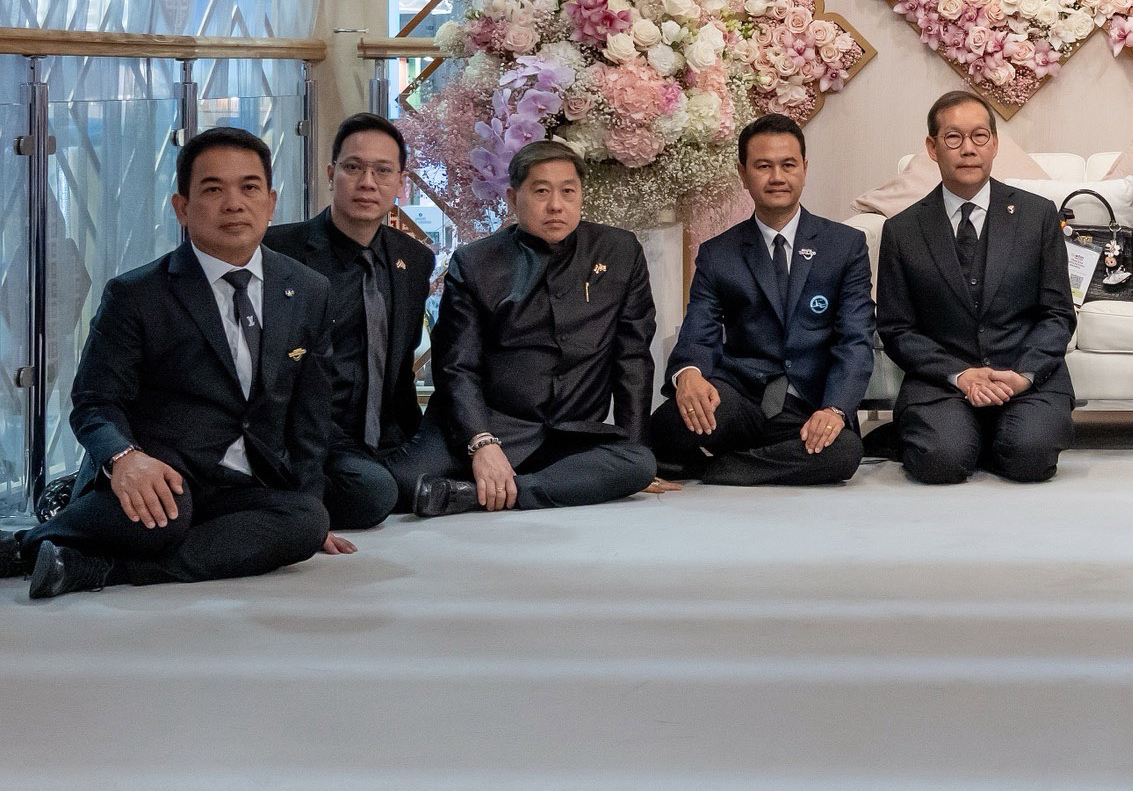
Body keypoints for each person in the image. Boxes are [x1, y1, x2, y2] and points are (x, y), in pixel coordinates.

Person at [1, 128, 335, 599]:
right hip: (159, 471)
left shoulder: (307, 289)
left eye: (249, 187)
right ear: (182, 207)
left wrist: (308, 503)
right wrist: (124, 458)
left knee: (307, 520)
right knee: (163, 517)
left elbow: (311, 415)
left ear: (272, 201)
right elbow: (95, 401)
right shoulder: (137, 294)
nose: (234, 204)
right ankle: (30, 544)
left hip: (245, 480)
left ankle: (99, 568)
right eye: (213, 189)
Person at [399, 140, 659, 516]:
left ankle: (478, 495)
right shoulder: (475, 263)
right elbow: (457, 366)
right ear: (511, 197)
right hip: (490, 422)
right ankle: (517, 482)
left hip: (568, 433)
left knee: (638, 463)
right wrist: (482, 443)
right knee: (406, 485)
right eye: (540, 191)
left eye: (568, 191)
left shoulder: (619, 251)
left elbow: (633, 357)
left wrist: (637, 446)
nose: (556, 205)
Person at [650, 114, 875, 486]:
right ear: (742, 172)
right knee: (671, 422)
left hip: (808, 404)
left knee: (844, 453)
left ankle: (720, 468)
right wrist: (687, 374)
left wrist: (835, 408)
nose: (777, 177)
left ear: (805, 167)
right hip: (741, 398)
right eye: (763, 166)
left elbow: (855, 338)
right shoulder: (717, 253)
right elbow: (698, 330)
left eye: (788, 165)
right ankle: (762, 459)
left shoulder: (844, 246)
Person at [877, 90, 1078, 485]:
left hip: (1023, 376)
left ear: (995, 144)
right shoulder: (902, 231)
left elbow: (1058, 315)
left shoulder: (1037, 215)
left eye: (979, 137)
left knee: (1030, 458)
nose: (968, 149)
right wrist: (960, 375)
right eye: (953, 138)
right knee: (941, 463)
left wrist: (1023, 374)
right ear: (933, 148)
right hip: (944, 382)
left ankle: (985, 432)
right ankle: (958, 433)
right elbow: (897, 329)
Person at [265, 113, 438, 531]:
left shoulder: (414, 259)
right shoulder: (279, 253)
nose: (367, 182)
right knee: (375, 493)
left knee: (449, 468)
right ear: (331, 173)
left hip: (390, 436)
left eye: (383, 171)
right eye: (353, 167)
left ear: (401, 182)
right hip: (311, 435)